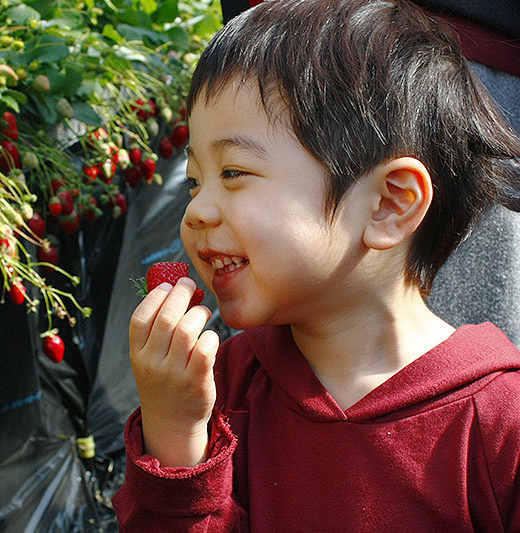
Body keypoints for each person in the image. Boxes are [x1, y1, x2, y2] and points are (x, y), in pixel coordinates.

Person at [111, 0, 520, 530]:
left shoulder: (497, 420)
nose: (196, 210)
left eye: (233, 172)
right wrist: (174, 435)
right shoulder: (219, 391)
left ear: (388, 203)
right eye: (194, 181)